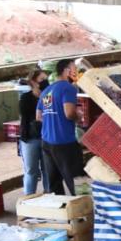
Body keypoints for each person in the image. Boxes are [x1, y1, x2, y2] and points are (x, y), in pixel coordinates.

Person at [36, 59, 81, 195]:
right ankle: (82, 211)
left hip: (47, 142)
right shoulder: (68, 88)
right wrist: (78, 117)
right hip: (64, 143)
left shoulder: (46, 91)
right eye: (74, 69)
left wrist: (53, 120)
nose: (76, 72)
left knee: (54, 182)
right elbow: (69, 113)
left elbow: (39, 117)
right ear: (67, 71)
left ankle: (61, 211)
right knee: (76, 181)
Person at [19, 69, 49, 195]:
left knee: (47, 169)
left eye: (46, 79)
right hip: (30, 139)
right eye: (42, 80)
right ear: (33, 82)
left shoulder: (47, 97)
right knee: (31, 170)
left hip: (46, 137)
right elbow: (27, 117)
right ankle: (28, 198)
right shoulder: (25, 98)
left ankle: (49, 194)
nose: (45, 82)